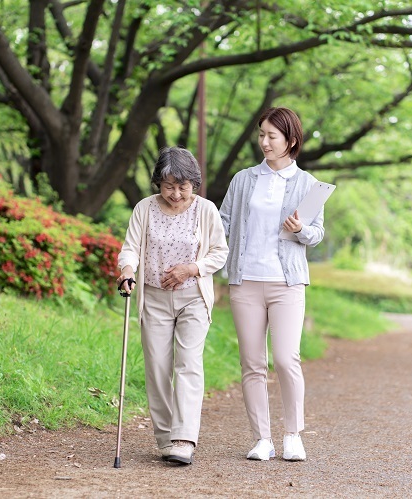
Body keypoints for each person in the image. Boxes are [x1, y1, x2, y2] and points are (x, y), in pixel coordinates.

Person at [219, 107, 325, 462]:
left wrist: (302, 231)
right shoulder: (243, 179)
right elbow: (223, 222)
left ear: (290, 141)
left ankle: (293, 435)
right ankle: (261, 438)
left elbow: (316, 234)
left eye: (271, 136)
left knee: (285, 358)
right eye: (261, 134)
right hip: (245, 280)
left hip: (287, 283)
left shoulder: (308, 184)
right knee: (252, 362)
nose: (264, 142)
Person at [116, 146, 229, 465]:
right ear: (158, 184)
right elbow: (131, 249)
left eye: (183, 186)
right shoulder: (144, 209)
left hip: (193, 296)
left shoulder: (206, 210)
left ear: (194, 183)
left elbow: (220, 252)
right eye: (168, 186)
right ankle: (165, 438)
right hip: (153, 297)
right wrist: (127, 270)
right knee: (158, 368)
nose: (176, 194)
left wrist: (191, 268)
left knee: (188, 363)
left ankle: (183, 438)